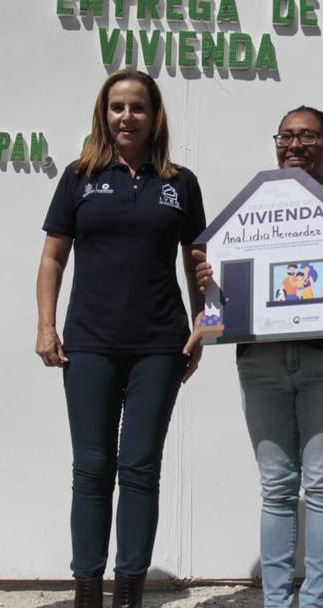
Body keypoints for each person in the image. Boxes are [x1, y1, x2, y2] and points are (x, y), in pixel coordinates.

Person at [194, 105, 323, 608]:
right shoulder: (250, 213)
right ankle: (278, 601)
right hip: (260, 365)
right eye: (286, 136)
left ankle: (316, 601)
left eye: (308, 136)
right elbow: (220, 310)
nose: (295, 145)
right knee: (276, 487)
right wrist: (209, 288)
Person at [35, 68, 205, 608]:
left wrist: (206, 325)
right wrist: (45, 324)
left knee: (139, 468)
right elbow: (53, 257)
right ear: (103, 114)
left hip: (159, 343)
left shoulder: (180, 182)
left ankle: (129, 590)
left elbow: (197, 260)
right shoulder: (79, 177)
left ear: (155, 117)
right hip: (89, 342)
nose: (126, 116)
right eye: (117, 107)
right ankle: (88, 588)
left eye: (137, 107)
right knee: (90, 468)